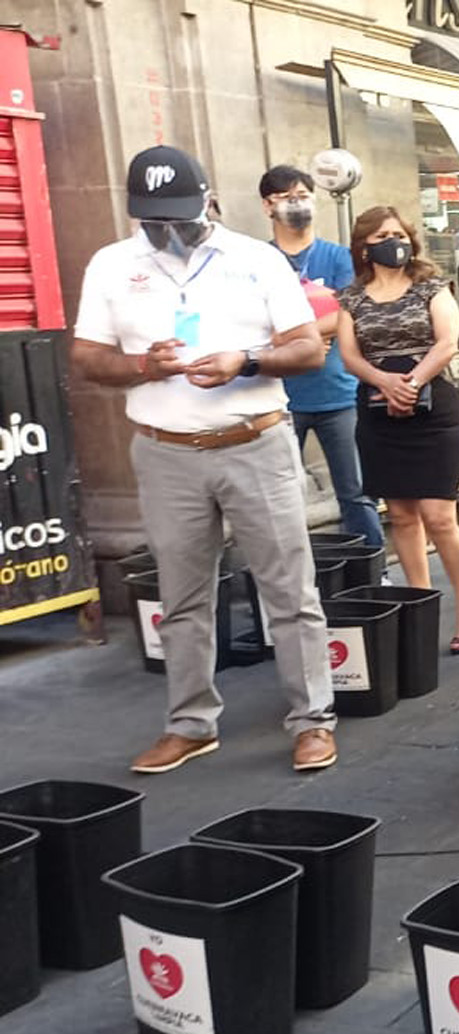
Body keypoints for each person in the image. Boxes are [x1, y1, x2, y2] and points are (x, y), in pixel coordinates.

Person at [71, 146, 339, 773]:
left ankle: (312, 719)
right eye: (153, 218)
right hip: (166, 452)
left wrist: (242, 361)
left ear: (208, 199)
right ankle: (190, 722)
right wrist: (142, 365)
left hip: (254, 440)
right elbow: (85, 357)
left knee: (288, 589)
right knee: (183, 595)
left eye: (180, 215)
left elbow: (306, 349)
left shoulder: (257, 259)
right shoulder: (113, 264)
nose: (168, 229)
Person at [334, 206, 459, 654]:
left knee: (439, 515)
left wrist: (412, 383)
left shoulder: (431, 286)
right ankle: (420, 600)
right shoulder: (351, 297)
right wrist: (385, 383)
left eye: (399, 233)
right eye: (382, 234)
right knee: (400, 514)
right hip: (379, 412)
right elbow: (349, 354)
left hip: (434, 411)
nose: (392, 241)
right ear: (364, 245)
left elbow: (446, 342)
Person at [259, 164, 382, 548]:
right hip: (277, 399)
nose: (297, 204)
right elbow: (254, 321)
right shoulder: (258, 260)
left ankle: (372, 572)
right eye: (286, 197)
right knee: (279, 499)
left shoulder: (338, 256)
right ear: (267, 206)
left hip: (338, 393)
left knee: (356, 492)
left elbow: (353, 311)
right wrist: (308, 336)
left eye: (304, 195)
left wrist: (295, 338)